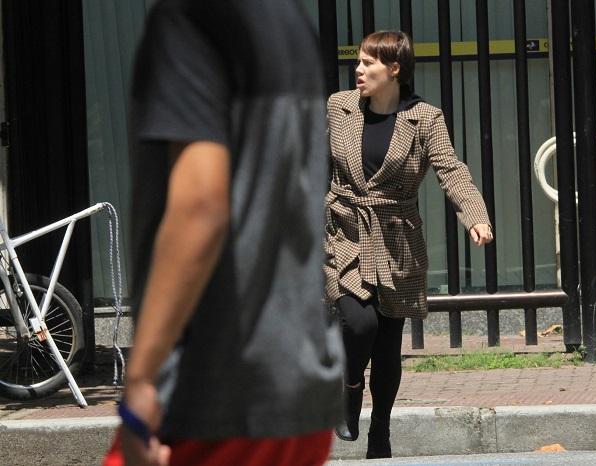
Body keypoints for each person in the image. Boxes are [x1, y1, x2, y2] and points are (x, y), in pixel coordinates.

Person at [103, 1, 344, 465]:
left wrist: (140, 381)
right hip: (299, 391)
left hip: (213, 395)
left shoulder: (188, 17)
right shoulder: (289, 19)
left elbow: (200, 206)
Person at [324, 30, 493, 459]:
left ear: (394, 69)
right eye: (358, 62)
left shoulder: (425, 118)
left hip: (398, 240)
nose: (358, 70)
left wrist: (474, 216)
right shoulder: (339, 107)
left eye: (368, 63)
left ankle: (380, 430)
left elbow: (451, 170)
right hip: (347, 230)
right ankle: (348, 387)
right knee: (358, 324)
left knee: (386, 345)